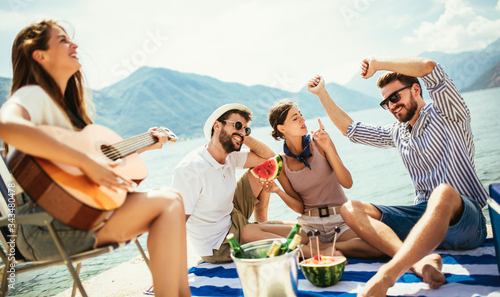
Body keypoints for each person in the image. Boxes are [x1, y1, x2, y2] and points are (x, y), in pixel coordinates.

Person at [0, 20, 191, 297]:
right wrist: (85, 162)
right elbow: (7, 126)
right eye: (63, 40)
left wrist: (143, 146)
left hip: (68, 217)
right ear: (39, 55)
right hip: (41, 228)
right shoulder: (32, 95)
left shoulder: (64, 111)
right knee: (166, 204)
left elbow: (75, 169)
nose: (75, 45)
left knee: (172, 198)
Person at [307, 57, 488, 296]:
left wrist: (378, 64)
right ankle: (419, 261)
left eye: (395, 97)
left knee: (442, 192)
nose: (391, 106)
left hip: (464, 222)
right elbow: (352, 130)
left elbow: (430, 68)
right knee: (350, 209)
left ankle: (388, 274)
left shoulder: (447, 113)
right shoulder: (399, 132)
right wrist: (321, 94)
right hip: (422, 219)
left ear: (415, 89)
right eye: (386, 103)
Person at [242, 99, 384, 258]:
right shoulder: (281, 163)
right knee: (248, 231)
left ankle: (323, 247)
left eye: (301, 115)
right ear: (282, 128)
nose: (303, 120)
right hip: (309, 226)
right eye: (295, 118)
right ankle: (316, 250)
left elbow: (347, 182)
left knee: (381, 245)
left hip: (341, 220)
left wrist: (328, 148)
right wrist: (277, 191)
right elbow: (300, 208)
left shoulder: (320, 143)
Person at [170, 103, 276, 263]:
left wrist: (240, 135)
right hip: (219, 244)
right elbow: (176, 222)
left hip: (231, 216)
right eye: (238, 125)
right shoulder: (191, 169)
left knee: (264, 168)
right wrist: (169, 267)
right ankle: (256, 230)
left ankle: (260, 224)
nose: (241, 132)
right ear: (217, 126)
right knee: (289, 237)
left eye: (245, 129)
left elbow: (269, 158)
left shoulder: (229, 154)